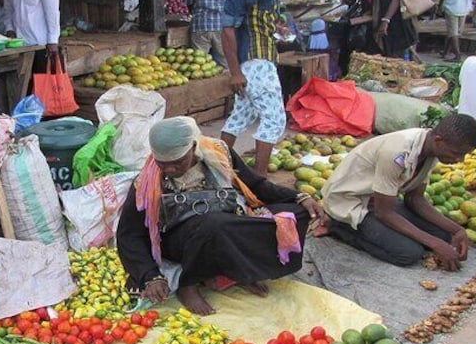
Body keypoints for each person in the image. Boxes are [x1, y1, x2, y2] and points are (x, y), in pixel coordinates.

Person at [116, 117, 325, 316]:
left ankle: (238, 272)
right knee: (214, 224)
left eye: (177, 162)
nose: (169, 169)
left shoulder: (219, 152)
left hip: (224, 224)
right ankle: (188, 284)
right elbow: (130, 235)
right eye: (163, 163)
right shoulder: (146, 183)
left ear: (193, 148)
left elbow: (255, 185)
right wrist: (150, 275)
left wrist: (298, 197)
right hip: (181, 240)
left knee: (293, 214)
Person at [316, 114, 476, 270]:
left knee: (444, 235)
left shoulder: (430, 150)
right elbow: (384, 213)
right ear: (439, 141)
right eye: (457, 153)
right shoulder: (397, 152)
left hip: (379, 200)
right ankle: (336, 226)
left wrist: (457, 230)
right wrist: (434, 244)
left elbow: (415, 199)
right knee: (409, 253)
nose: (460, 160)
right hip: (351, 203)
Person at [219, 0, 289, 177]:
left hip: (264, 54)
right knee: (274, 120)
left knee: (240, 116)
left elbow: (260, 14)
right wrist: (234, 72)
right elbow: (227, 29)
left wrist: (276, 26)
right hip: (254, 61)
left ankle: (216, 169)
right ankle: (260, 180)